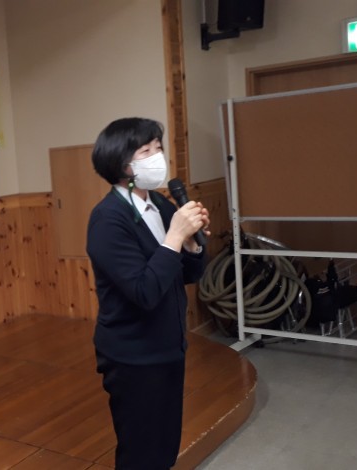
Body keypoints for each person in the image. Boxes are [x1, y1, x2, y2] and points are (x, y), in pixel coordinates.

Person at [86, 117, 210, 469]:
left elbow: (188, 274)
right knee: (140, 452)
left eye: (158, 148)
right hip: (133, 355)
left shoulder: (160, 204)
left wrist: (192, 244)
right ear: (122, 164)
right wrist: (174, 237)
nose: (158, 157)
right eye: (146, 151)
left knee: (165, 445)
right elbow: (144, 291)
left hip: (169, 345)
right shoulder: (108, 219)